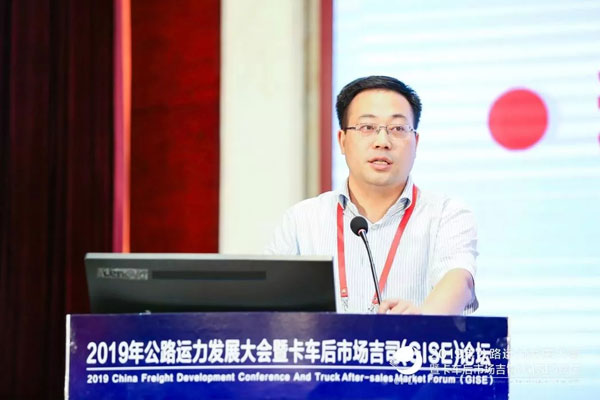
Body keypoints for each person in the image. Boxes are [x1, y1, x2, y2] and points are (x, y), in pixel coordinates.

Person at [265, 76, 478, 315]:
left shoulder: (446, 214)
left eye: (398, 128)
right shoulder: (301, 220)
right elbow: (270, 304)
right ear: (342, 141)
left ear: (416, 142)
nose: (382, 142)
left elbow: (459, 280)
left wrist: (422, 321)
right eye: (367, 127)